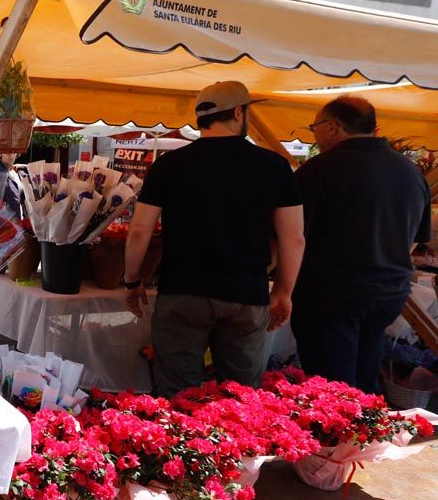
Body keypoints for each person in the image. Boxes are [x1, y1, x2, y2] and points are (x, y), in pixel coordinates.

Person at [123, 81, 306, 396]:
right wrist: (285, 292)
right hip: (245, 294)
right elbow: (294, 239)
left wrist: (132, 280)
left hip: (183, 291)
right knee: (240, 397)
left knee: (178, 396)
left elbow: (139, 230)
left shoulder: (169, 165)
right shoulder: (275, 166)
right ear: (238, 112)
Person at [292, 96, 432, 393]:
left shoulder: (320, 170)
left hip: (332, 292)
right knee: (365, 374)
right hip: (389, 292)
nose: (314, 134)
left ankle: (340, 436)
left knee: (330, 386)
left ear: (332, 127)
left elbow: (294, 236)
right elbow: (415, 241)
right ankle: (365, 432)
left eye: (314, 127)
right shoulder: (409, 172)